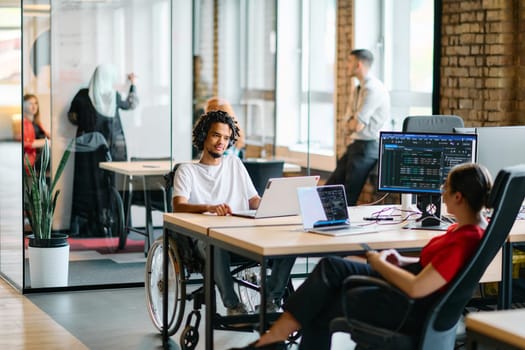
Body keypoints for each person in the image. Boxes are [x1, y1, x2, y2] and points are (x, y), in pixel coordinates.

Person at [230, 162, 492, 350]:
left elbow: (416, 287)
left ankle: (270, 341)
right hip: (412, 294)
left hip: (407, 306)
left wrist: (377, 261)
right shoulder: (472, 229)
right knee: (329, 277)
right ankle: (271, 341)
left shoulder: (464, 239)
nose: (441, 190)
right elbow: (435, 270)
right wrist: (401, 261)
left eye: (446, 187)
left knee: (326, 288)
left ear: (458, 196)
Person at [172, 110, 295, 315]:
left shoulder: (234, 164)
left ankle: (270, 301)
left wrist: (275, 203)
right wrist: (209, 207)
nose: (222, 141)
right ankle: (233, 306)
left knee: (289, 243)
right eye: (216, 135)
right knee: (216, 242)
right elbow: (179, 205)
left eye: (227, 138)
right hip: (207, 240)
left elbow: (253, 200)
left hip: (242, 236)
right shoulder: (187, 170)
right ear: (203, 135)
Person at [68, 64, 138, 237]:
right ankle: (113, 226)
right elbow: (131, 104)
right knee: (111, 186)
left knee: (88, 187)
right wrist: (133, 84)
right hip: (113, 152)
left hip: (87, 153)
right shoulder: (113, 96)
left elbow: (72, 118)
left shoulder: (83, 95)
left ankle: (90, 227)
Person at [325, 49, 390, 206]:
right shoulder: (358, 89)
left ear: (358, 64)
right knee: (329, 189)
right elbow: (347, 123)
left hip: (368, 147)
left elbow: (357, 124)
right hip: (357, 146)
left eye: (349, 62)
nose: (346, 65)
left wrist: (351, 124)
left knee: (347, 196)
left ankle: (340, 226)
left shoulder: (372, 89)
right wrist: (351, 124)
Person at [21, 94, 49, 169]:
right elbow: (25, 143)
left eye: (36, 103)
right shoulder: (23, 122)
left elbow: (46, 135)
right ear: (23, 105)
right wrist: (46, 142)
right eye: (30, 103)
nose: (34, 106)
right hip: (30, 161)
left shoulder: (36, 123)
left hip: (40, 158)